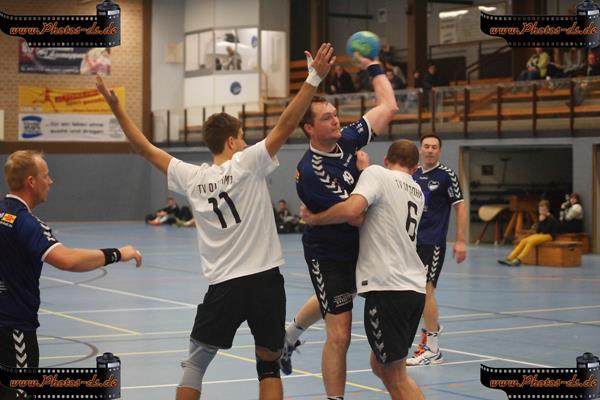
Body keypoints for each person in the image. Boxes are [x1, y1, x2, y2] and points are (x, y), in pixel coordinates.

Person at [97, 42, 335, 400]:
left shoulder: (192, 177)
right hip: (265, 281)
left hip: (224, 286)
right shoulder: (248, 163)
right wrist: (313, 78)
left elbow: (143, 148)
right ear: (232, 141)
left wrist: (116, 107)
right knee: (269, 367)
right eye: (242, 137)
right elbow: (287, 123)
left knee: (194, 365)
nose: (246, 142)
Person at [280, 52, 399, 399]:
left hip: (359, 247)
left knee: (335, 299)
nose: (336, 121)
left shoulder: (346, 139)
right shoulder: (312, 172)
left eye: (335, 114)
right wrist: (364, 173)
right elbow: (355, 214)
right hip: (329, 254)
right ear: (309, 128)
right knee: (340, 334)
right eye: (327, 118)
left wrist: (373, 67)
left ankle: (287, 336)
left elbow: (388, 106)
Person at [301, 140, 426, 399]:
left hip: (388, 289)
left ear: (386, 160)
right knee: (382, 367)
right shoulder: (417, 191)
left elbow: (353, 211)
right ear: (416, 168)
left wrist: (315, 219)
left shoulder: (377, 174)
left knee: (394, 376)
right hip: (414, 289)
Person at [0, 150, 142, 369]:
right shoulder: (26, 223)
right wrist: (118, 254)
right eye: (45, 176)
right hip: (13, 329)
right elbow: (68, 260)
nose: (51, 181)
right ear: (31, 181)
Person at [406, 134, 467, 366]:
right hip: (410, 242)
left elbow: (460, 207)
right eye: (426, 146)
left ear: (439, 151)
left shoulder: (446, 176)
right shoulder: (412, 174)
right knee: (413, 292)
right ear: (420, 149)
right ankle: (433, 326)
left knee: (426, 290)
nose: (430, 150)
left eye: (434, 147)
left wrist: (460, 240)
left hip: (432, 242)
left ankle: (433, 350)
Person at [498, 200, 558, 267]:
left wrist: (542, 221)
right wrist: (539, 222)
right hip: (541, 234)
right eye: (540, 209)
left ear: (547, 209)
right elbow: (538, 231)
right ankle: (509, 258)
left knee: (531, 242)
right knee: (524, 241)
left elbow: (545, 231)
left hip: (549, 235)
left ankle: (519, 260)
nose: (541, 211)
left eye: (543, 209)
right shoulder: (541, 216)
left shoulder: (551, 218)